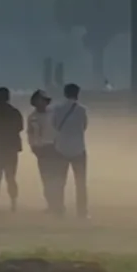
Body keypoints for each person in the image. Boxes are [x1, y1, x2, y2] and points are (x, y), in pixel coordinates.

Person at [51, 83, 89, 219]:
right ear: (77, 94)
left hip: (61, 148)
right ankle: (82, 211)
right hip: (78, 148)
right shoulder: (82, 110)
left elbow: (54, 125)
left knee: (60, 181)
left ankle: (59, 209)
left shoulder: (57, 109)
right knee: (80, 182)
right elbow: (84, 126)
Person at [25, 89, 58, 212]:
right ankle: (51, 204)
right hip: (41, 150)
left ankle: (57, 203)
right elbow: (30, 134)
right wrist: (33, 147)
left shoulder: (54, 114)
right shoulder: (32, 117)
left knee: (57, 177)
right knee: (46, 178)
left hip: (54, 148)